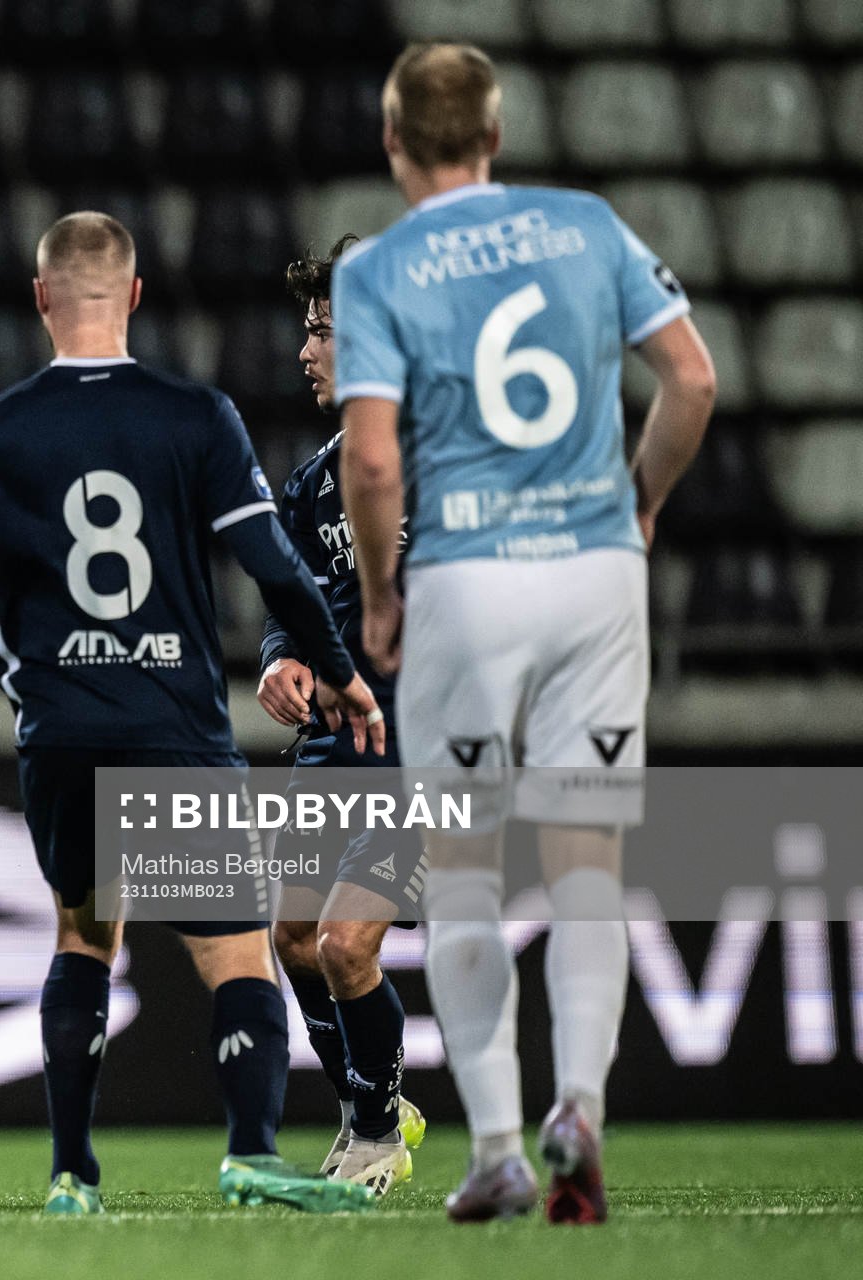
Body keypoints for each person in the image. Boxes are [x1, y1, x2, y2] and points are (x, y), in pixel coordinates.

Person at [0, 212, 382, 1216]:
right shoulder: (197, 417)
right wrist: (340, 669)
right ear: (134, 296)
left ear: (42, 299)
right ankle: (251, 1149)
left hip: (59, 733)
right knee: (234, 948)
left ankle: (72, 1172)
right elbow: (277, 567)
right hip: (172, 723)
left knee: (85, 938)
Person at [332, 43, 716, 1224]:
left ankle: (496, 1136)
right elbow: (692, 381)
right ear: (496, 135)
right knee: (587, 863)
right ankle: (581, 1109)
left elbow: (374, 456)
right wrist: (641, 499)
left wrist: (384, 594)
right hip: (595, 572)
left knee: (460, 873)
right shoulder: (590, 226)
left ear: (395, 144)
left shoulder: (381, 267)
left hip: (466, 581)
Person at [258, 235, 428, 1197]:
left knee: (346, 943)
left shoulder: (444, 456)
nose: (304, 352)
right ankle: (376, 1101)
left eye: (322, 332)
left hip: (423, 747)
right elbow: (293, 612)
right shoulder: (314, 479)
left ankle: (375, 1131)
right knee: (291, 936)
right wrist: (283, 665)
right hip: (335, 745)